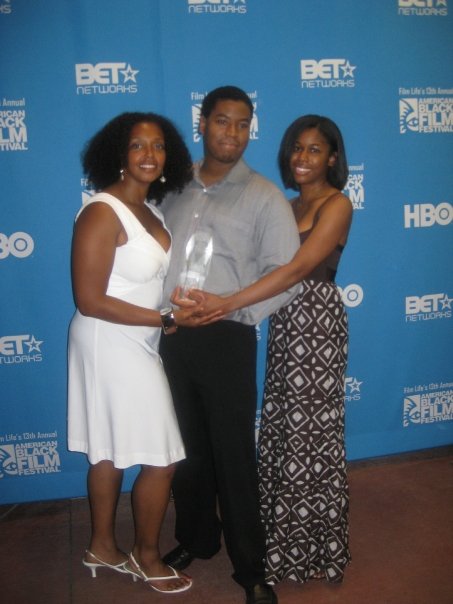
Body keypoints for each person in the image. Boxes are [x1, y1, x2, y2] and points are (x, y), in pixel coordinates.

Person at [186, 115, 353, 586]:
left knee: (311, 434)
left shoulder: (337, 204)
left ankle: (314, 547)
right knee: (282, 427)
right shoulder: (285, 202)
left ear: (332, 158)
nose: (303, 157)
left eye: (315, 149)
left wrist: (228, 303)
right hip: (281, 321)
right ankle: (278, 540)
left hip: (316, 324)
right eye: (297, 148)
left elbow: (297, 269)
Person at [159, 86, 300, 604]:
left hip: (227, 340)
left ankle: (251, 568)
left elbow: (287, 276)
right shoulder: (172, 188)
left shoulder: (264, 196)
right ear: (203, 122)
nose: (233, 133)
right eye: (223, 121)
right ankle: (197, 539)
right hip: (173, 336)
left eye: (243, 124)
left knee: (234, 456)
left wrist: (232, 309)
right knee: (187, 451)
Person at [67, 111, 219, 594]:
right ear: (119, 152)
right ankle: (146, 556)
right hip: (107, 340)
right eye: (137, 145)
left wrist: (174, 309)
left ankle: (101, 546)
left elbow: (143, 282)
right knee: (161, 456)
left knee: (108, 452)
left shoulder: (150, 210)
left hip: (140, 337)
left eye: (158, 146)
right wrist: (166, 319)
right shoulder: (101, 211)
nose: (149, 154)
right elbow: (89, 299)